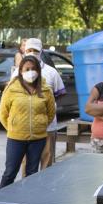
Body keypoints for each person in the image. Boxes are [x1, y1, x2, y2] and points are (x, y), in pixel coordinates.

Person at [0, 54, 54, 187]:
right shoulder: (11, 89)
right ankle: (0, 202)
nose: (30, 72)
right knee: (10, 172)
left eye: (33, 69)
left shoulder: (46, 90)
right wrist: (13, 127)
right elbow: (2, 114)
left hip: (38, 139)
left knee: (32, 172)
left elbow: (51, 113)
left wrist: (41, 125)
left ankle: (27, 202)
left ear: (38, 71)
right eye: (27, 69)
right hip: (16, 139)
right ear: (20, 71)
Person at [18, 38, 66, 170]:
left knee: (47, 161)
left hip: (48, 127)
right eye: (29, 50)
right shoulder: (17, 73)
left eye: (35, 51)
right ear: (24, 51)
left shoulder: (51, 72)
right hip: (26, 127)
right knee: (27, 164)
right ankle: (27, 189)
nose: (32, 53)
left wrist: (48, 105)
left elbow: (60, 93)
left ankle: (44, 190)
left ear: (41, 51)